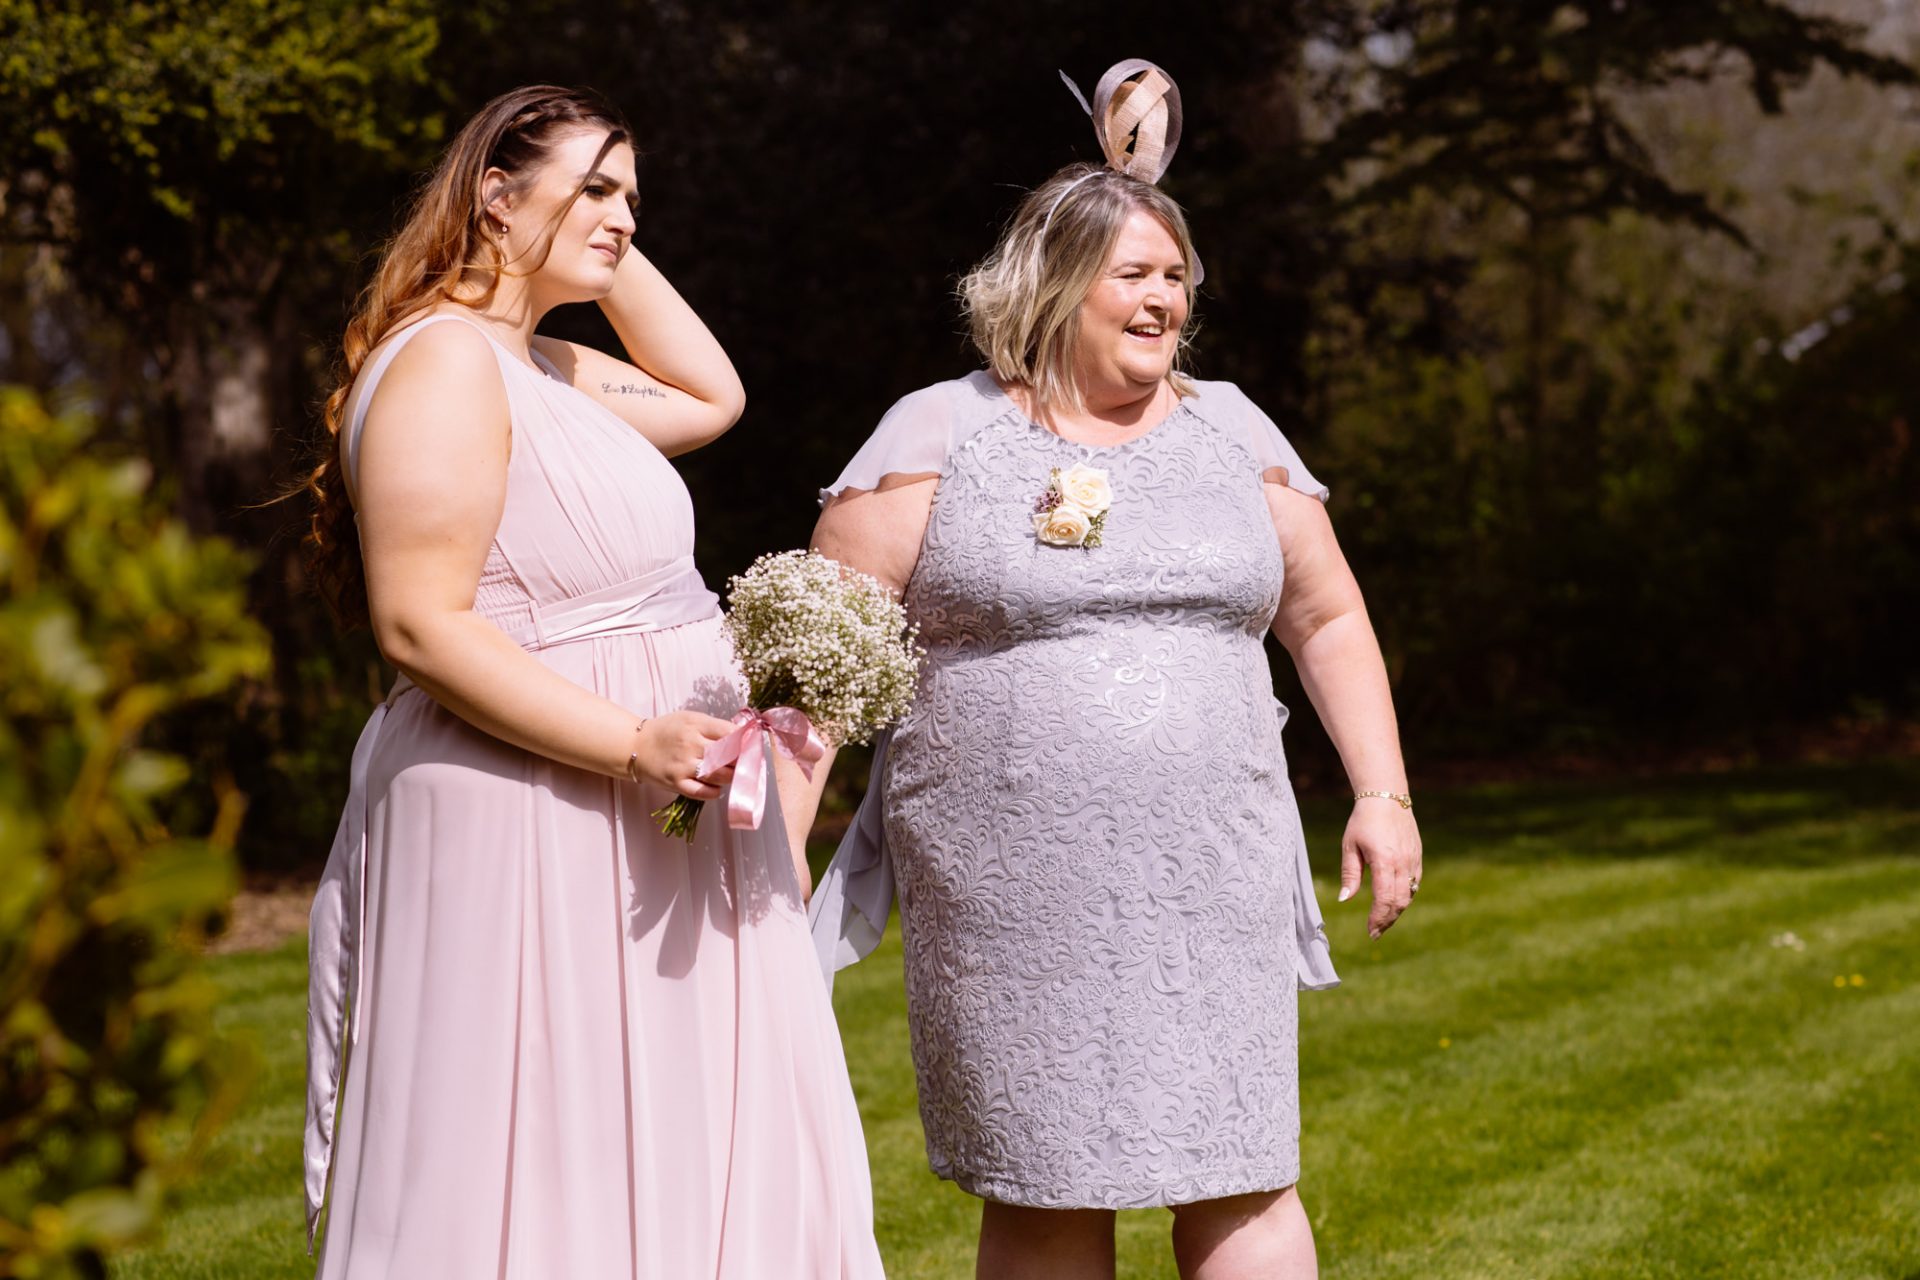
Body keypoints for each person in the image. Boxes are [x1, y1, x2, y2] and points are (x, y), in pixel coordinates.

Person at [804, 63, 1421, 1279]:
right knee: (1046, 1180)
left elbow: (1329, 616)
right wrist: (763, 866)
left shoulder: (1236, 430)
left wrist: (1383, 793)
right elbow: (819, 662)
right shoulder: (939, 432)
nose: (1164, 298)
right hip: (1008, 881)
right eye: (1134, 274)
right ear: (1054, 286)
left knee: (1240, 1165)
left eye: (1176, 276)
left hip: (1215, 867)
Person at [301, 84, 883, 1278]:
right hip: (541, 798)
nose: (625, 219)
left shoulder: (547, 364)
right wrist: (631, 740)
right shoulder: (445, 363)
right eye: (600, 192)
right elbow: (417, 622)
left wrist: (594, 239)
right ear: (495, 197)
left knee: (666, 1122)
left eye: (635, 199)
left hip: (647, 800)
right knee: (538, 1133)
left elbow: (712, 397)